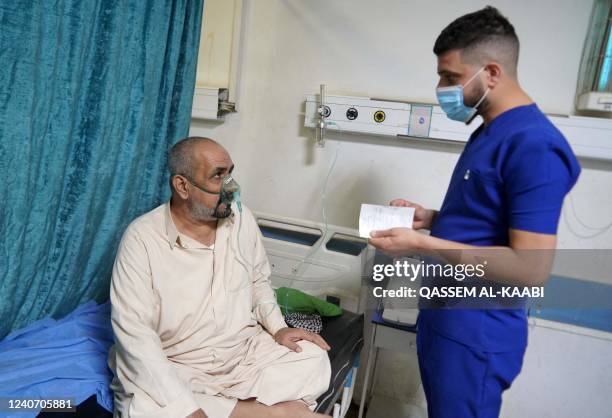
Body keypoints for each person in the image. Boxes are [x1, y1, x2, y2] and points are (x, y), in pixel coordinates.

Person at [368, 7, 581, 418]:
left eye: (450, 77)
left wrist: (422, 243)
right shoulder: (490, 131)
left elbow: (530, 267)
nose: (441, 87)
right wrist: (431, 217)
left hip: (476, 333)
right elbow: (486, 220)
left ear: (492, 73)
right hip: (448, 321)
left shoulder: (534, 145)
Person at [108, 137, 332, 418]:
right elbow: (135, 336)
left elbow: (258, 281)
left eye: (230, 173)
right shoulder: (142, 240)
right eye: (218, 176)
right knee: (144, 406)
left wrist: (278, 328)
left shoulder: (241, 219)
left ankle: (249, 411)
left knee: (311, 356)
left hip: (241, 355)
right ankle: (278, 413)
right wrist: (188, 410)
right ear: (183, 186)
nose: (232, 188)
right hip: (178, 362)